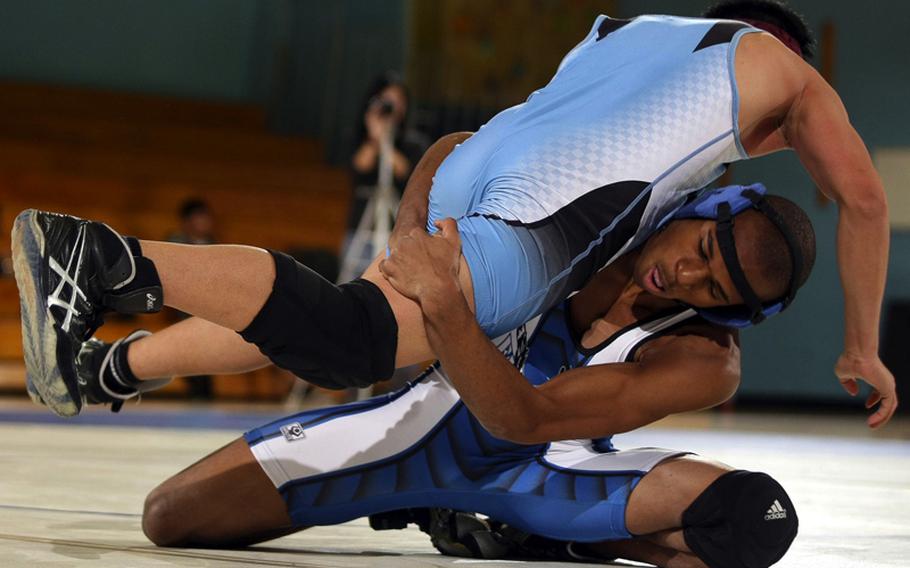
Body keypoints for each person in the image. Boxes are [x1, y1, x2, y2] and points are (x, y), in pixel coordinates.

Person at [12, 1, 894, 429]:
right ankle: (101, 260)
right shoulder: (785, 74)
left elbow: (486, 131)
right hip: (542, 217)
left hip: (478, 160)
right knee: (351, 342)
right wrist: (859, 345)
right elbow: (863, 198)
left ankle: (114, 369)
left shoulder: (631, 31)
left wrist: (421, 210)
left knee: (334, 315)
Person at [133, 185, 813, 568]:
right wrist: (408, 235)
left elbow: (528, 420)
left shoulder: (704, 359)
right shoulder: (600, 213)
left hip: (547, 469)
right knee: (170, 517)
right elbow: (455, 143)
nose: (687, 278)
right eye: (698, 251)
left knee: (751, 522)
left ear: (736, 314)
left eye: (715, 288)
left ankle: (550, 533)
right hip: (416, 429)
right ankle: (480, 515)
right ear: (696, 208)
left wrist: (444, 302)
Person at [343, 73, 429, 277]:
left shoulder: (413, 144)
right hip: (362, 222)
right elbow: (359, 167)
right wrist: (374, 136)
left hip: (397, 223)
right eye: (387, 100)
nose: (392, 106)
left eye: (398, 101)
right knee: (353, 278)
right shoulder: (358, 139)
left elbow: (404, 171)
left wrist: (384, 139)